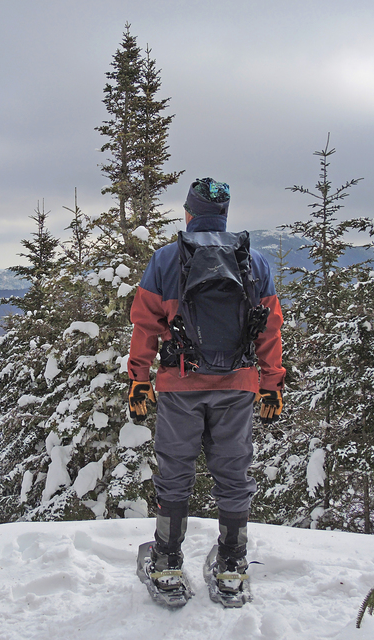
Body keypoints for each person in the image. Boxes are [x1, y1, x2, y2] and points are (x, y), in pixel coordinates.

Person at [127, 177, 285, 604]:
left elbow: (145, 325)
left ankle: (166, 565)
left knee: (175, 472)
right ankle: (232, 567)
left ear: (189, 212)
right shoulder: (255, 262)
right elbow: (270, 330)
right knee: (233, 474)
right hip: (238, 384)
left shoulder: (166, 260)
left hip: (180, 383)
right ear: (226, 214)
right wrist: (271, 385)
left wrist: (139, 379)